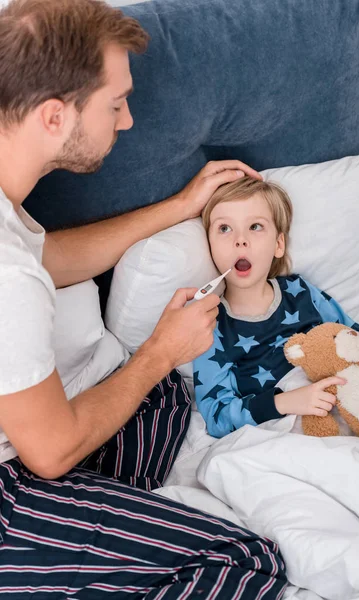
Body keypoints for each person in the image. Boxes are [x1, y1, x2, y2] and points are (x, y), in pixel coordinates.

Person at [0, 0, 288, 596]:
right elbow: (50, 453)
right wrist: (160, 349)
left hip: (32, 441)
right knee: (245, 562)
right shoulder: (7, 278)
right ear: (55, 116)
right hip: (14, 482)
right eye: (115, 103)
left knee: (162, 402)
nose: (127, 121)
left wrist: (180, 207)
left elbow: (46, 258)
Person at [194, 176, 359, 438]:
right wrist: (285, 402)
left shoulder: (299, 292)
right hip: (281, 430)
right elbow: (217, 416)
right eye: (224, 228)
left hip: (346, 409)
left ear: (278, 245)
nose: (240, 240)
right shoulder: (210, 324)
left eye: (255, 226)